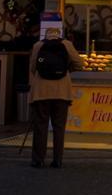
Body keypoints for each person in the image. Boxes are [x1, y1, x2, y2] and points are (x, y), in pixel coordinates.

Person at [29, 27, 83, 168]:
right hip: (62, 93)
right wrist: (66, 70)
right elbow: (79, 64)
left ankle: (38, 159)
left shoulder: (38, 45)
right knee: (59, 127)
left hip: (41, 92)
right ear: (59, 34)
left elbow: (33, 67)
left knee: (40, 126)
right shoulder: (67, 44)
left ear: (46, 34)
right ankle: (57, 160)